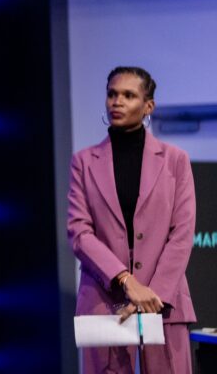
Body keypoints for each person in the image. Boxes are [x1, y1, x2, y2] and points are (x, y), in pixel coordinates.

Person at [68, 66, 195, 373]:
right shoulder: (84, 162)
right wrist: (127, 281)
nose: (117, 102)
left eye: (128, 95)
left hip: (164, 301)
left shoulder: (175, 160)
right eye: (112, 94)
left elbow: (182, 233)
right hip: (105, 299)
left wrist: (152, 294)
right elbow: (79, 231)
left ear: (148, 105)